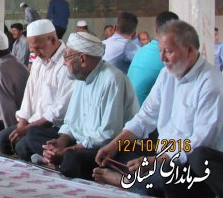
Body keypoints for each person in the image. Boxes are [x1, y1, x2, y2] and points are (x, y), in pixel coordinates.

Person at [94, 20, 223, 197]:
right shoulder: (166, 74)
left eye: (168, 52)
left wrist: (155, 162)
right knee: (111, 148)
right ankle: (141, 179)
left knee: (171, 172)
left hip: (186, 162)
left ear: (189, 50)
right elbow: (145, 116)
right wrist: (114, 145)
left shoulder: (211, 83)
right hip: (159, 152)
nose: (162, 58)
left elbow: (199, 142)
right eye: (160, 51)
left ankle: (126, 180)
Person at [41, 32, 139, 180]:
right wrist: (60, 143)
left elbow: (108, 134)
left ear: (82, 59)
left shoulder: (112, 80)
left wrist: (68, 150)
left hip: (109, 147)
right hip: (83, 142)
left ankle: (65, 162)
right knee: (32, 136)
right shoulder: (80, 77)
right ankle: (59, 159)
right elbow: (70, 122)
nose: (63, 63)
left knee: (72, 160)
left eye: (66, 57)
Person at [0, 19, 74, 161]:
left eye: (38, 48)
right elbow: (29, 94)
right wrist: (22, 123)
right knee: (1, 139)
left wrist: (27, 129)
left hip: (55, 127)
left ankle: (48, 158)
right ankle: (38, 155)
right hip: (34, 123)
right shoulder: (38, 61)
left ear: (52, 40)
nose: (36, 53)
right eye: (33, 49)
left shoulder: (67, 64)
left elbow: (59, 111)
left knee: (22, 146)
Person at [127, 11, 179, 106]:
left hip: (129, 111)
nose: (163, 56)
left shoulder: (141, 50)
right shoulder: (171, 57)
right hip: (144, 114)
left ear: (155, 30)